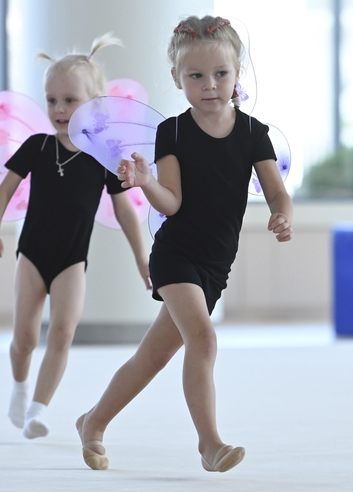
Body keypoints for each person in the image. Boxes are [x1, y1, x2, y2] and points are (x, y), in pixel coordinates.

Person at [75, 16, 293, 472]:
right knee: (204, 338)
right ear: (177, 78)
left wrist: (281, 213)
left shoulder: (254, 133)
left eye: (221, 74)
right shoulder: (172, 131)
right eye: (196, 76)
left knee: (153, 356)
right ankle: (209, 444)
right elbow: (170, 203)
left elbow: (275, 190)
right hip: (176, 254)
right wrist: (144, 182)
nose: (210, 85)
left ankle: (92, 422)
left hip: (215, 265)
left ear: (238, 74)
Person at [0, 33, 151, 440]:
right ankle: (20, 388)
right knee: (24, 338)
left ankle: (38, 409)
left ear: (92, 103)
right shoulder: (38, 146)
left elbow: (126, 211)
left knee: (62, 333)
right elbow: (6, 188)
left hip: (72, 261)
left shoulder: (103, 156)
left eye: (69, 100)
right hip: (33, 256)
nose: (58, 109)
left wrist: (141, 258)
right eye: (52, 99)